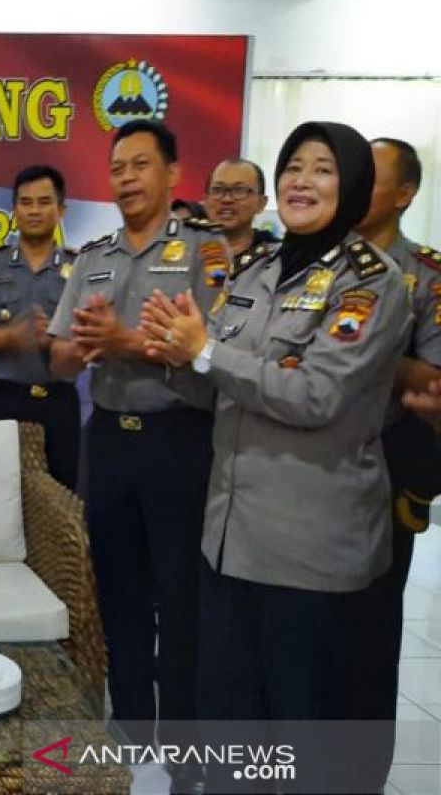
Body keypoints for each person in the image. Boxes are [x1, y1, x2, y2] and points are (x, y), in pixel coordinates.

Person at [140, 121, 411, 793]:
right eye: (293, 166)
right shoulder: (255, 270)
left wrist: (205, 351)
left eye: (323, 169)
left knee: (301, 739)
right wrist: (174, 350)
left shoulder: (373, 285)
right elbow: (219, 388)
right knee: (231, 728)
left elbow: (317, 395)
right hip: (229, 542)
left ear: (352, 187)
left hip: (309, 553)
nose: (301, 181)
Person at [48, 119, 225, 790]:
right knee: (118, 598)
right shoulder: (93, 256)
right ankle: (125, 743)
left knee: (181, 606)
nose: (125, 178)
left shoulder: (207, 255)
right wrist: (80, 347)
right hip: (111, 443)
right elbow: (62, 359)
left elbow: (215, 359)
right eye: (117, 167)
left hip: (179, 442)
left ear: (173, 173)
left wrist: (124, 342)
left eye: (140, 165)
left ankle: (183, 759)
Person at [353, 136, 441, 785]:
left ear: (405, 194)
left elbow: (435, 386)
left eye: (372, 179)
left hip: (382, 476)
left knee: (370, 639)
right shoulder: (322, 262)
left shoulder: (428, 278)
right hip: (306, 475)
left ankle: (363, 773)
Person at [0, 165, 80, 490]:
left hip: (58, 403)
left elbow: (85, 341)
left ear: (61, 210)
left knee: (61, 503)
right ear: (14, 209)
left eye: (44, 202)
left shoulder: (79, 268)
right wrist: (10, 338)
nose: (34, 211)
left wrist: (53, 341)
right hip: (4, 400)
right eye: (26, 202)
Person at [203, 157, 276, 257]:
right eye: (218, 190)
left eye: (239, 190)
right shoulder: (187, 250)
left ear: (261, 203)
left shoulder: (276, 256)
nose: (227, 199)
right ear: (206, 201)